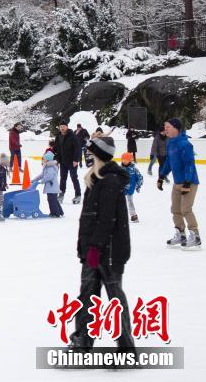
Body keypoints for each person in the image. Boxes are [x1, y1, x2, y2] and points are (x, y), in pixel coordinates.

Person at [67, 137, 135, 355]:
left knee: (115, 296)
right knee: (87, 295)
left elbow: (107, 218)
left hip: (110, 250)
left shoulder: (110, 181)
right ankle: (82, 342)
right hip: (93, 249)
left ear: (98, 155)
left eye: (90, 153)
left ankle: (126, 347)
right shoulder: (97, 179)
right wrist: (86, 248)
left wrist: (96, 247)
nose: (87, 156)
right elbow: (89, 218)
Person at [158, 118, 201, 250]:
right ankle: (180, 234)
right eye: (165, 126)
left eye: (168, 127)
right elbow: (169, 162)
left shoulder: (184, 144)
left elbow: (190, 164)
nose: (165, 129)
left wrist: (187, 182)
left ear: (176, 128)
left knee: (185, 210)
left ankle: (196, 237)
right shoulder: (171, 143)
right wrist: (161, 176)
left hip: (189, 182)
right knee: (175, 210)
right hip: (177, 182)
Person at [54, 122, 81, 205]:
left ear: (67, 127)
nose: (62, 128)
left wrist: (76, 160)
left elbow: (77, 148)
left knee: (74, 177)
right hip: (62, 161)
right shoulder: (58, 137)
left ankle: (78, 195)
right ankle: (61, 195)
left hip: (72, 161)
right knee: (63, 178)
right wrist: (57, 160)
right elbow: (57, 149)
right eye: (61, 126)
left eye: (63, 126)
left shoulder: (72, 136)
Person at [31, 152, 64, 217]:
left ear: (47, 160)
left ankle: (55, 213)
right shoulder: (47, 166)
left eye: (44, 159)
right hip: (51, 187)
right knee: (54, 200)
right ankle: (60, 212)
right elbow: (41, 175)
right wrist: (34, 180)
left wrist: (42, 181)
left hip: (52, 187)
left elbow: (49, 176)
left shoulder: (50, 167)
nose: (42, 160)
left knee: (52, 201)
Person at [121, 152, 143, 223]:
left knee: (130, 202)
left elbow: (140, 178)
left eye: (126, 160)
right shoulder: (120, 169)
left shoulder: (134, 170)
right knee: (120, 202)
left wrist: (138, 186)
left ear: (130, 160)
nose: (124, 161)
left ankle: (133, 215)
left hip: (130, 189)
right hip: (121, 189)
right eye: (123, 160)